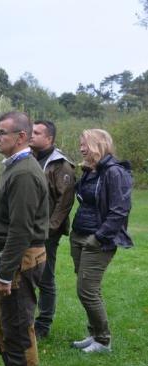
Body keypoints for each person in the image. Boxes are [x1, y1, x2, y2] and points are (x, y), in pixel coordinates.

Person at [0, 111, 49, 366]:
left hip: (22, 259)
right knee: (2, 322)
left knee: (19, 325)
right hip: (14, 257)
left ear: (21, 137)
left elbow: (21, 229)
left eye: (2, 133)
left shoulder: (23, 172)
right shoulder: (16, 166)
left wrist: (6, 274)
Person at [69, 129, 132, 353]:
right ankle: (95, 334)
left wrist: (98, 237)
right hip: (79, 235)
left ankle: (103, 341)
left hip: (98, 239)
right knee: (89, 289)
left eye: (84, 144)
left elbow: (119, 210)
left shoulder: (115, 173)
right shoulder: (91, 171)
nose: (81, 148)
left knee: (86, 290)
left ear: (98, 145)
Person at [29, 120, 76, 339]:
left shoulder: (61, 165)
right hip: (25, 228)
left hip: (46, 232)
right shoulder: (28, 158)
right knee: (25, 275)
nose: (32, 135)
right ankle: (24, 319)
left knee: (45, 277)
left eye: (37, 132)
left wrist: (49, 229)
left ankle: (43, 325)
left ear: (49, 138)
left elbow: (64, 203)